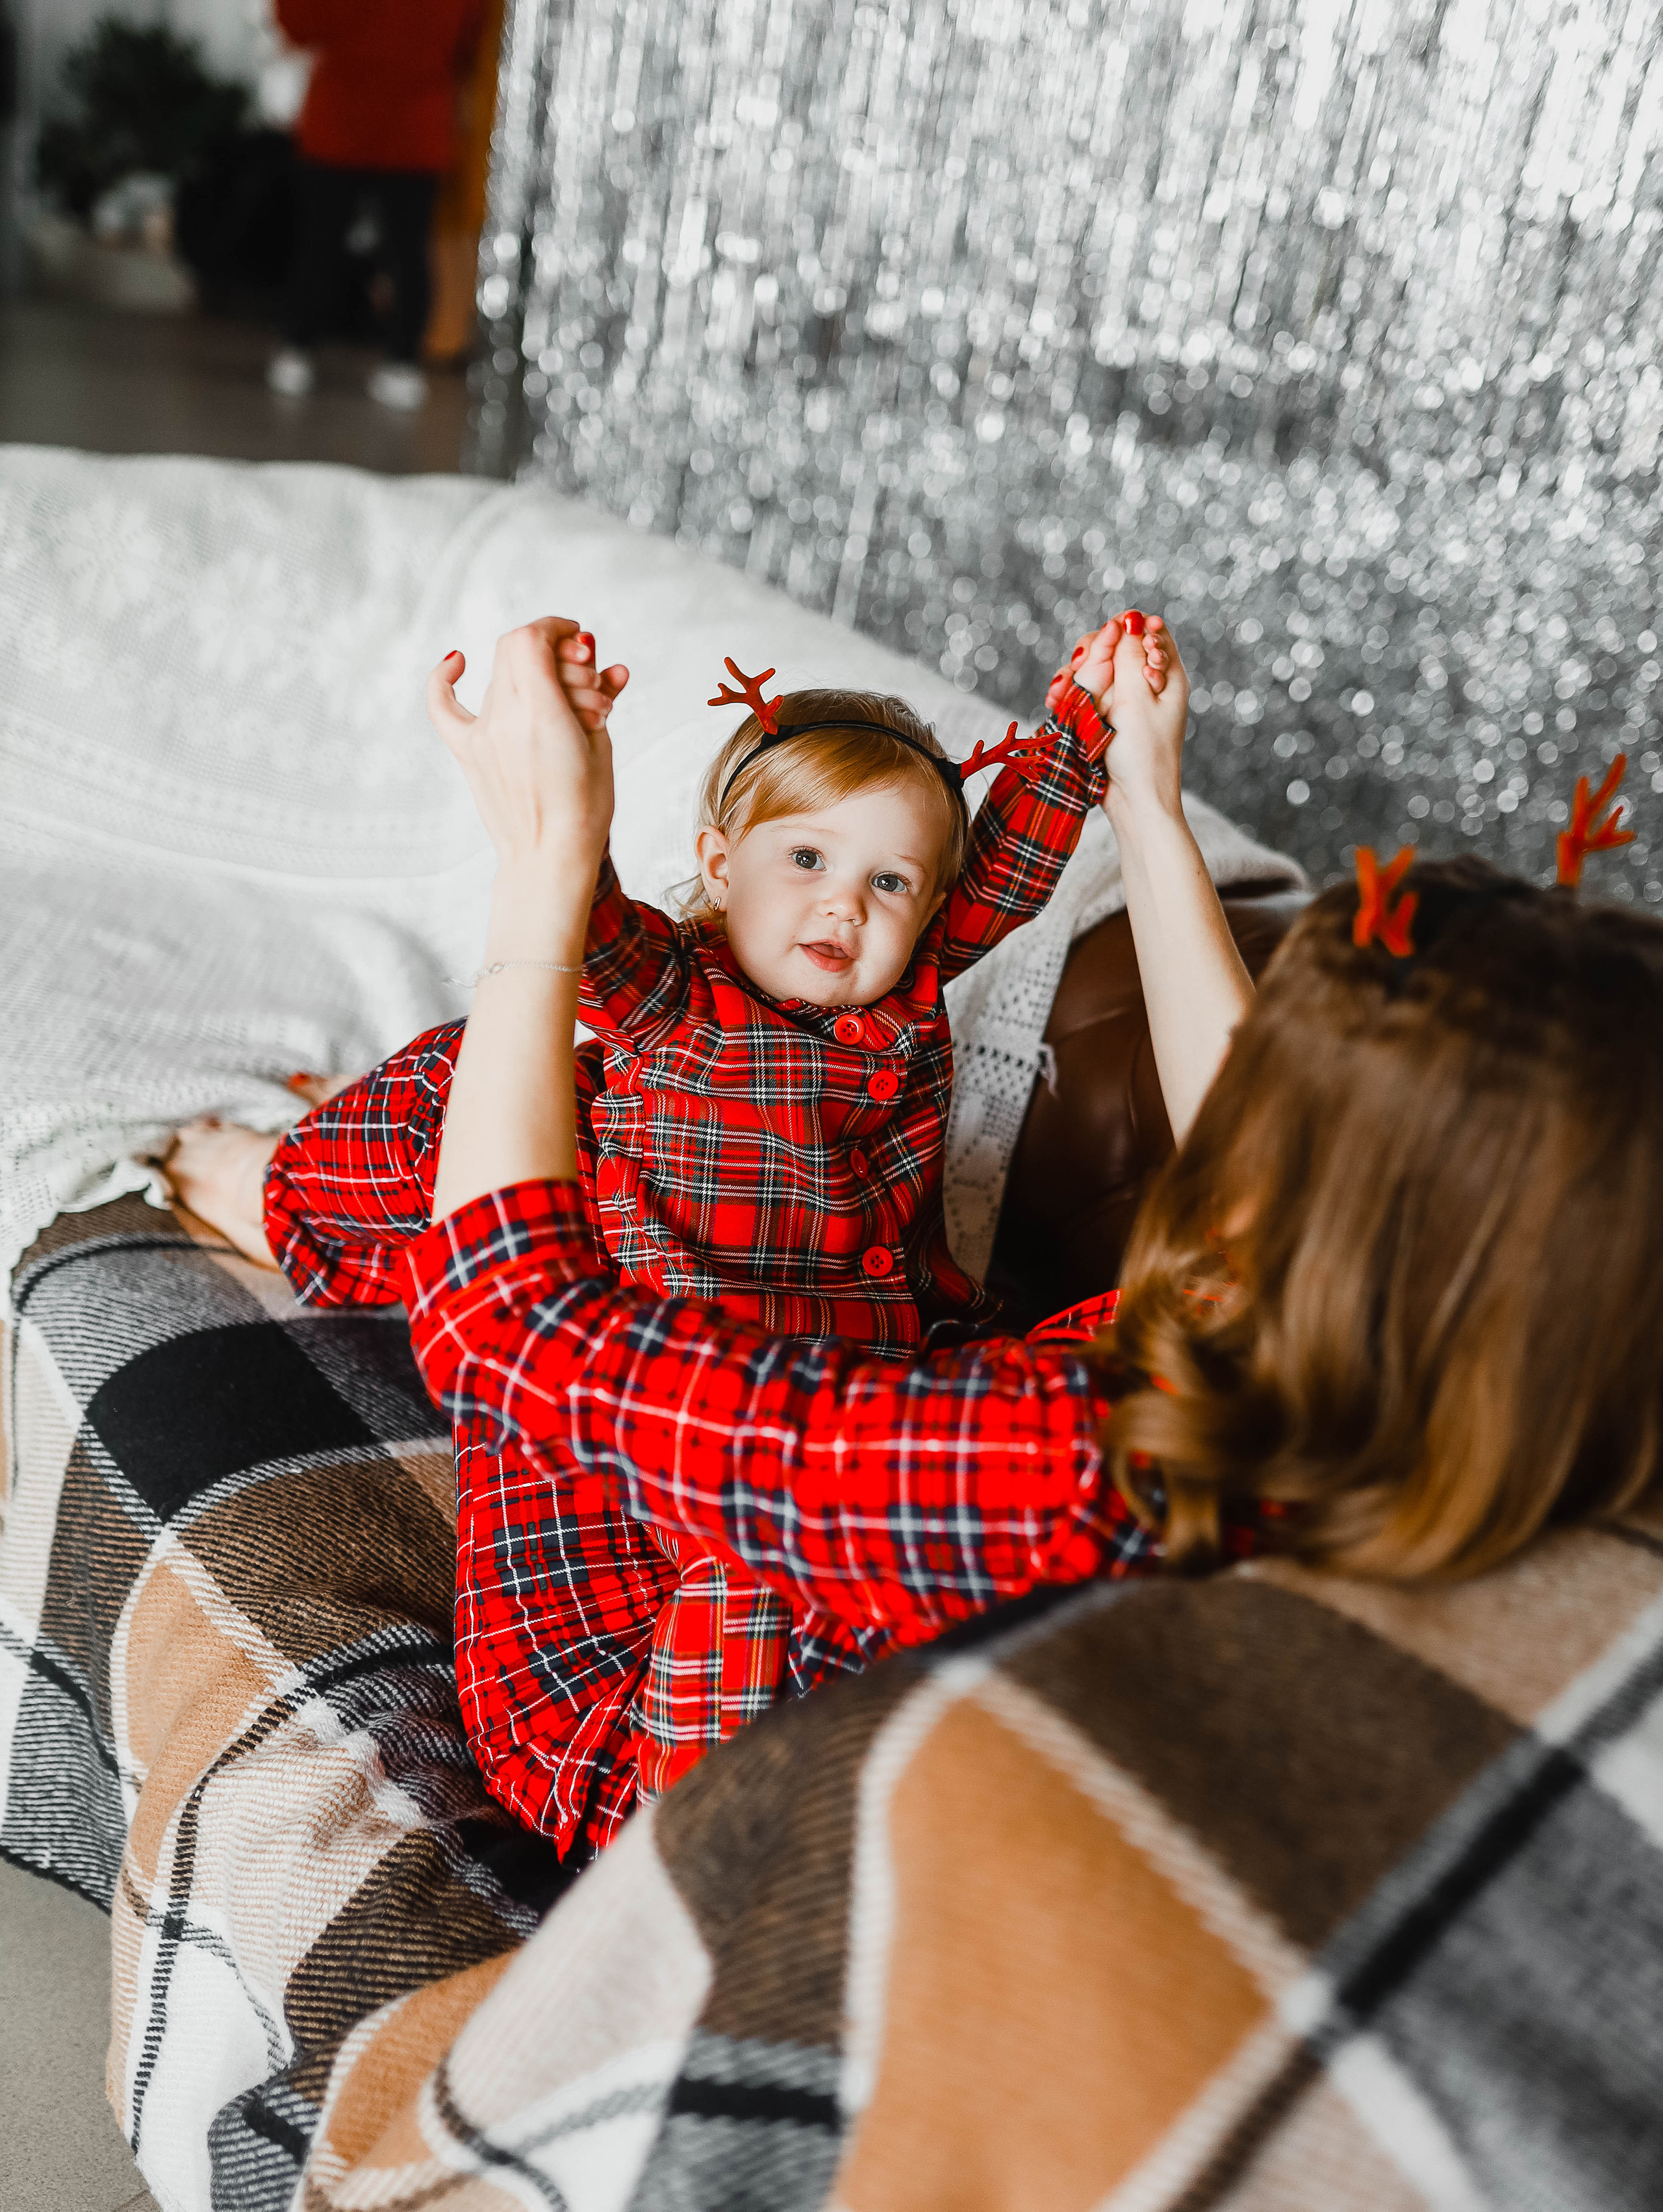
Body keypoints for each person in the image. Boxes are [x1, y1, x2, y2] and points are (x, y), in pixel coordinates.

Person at [384, 610, 1660, 1814]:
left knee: (500, 1092)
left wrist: (544, 858)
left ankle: (284, 1186)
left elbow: (509, 1334)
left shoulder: (1074, 1458)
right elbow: (1253, 1161)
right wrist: (1143, 804)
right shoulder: (1473, 1378)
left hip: (681, 1748)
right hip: (816, 1538)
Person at [168, 615, 1195, 1853]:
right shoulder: (673, 992)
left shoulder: (911, 987)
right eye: (805, 859)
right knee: (477, 1081)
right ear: (720, 861)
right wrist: (571, 771)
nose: (844, 909)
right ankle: (285, 1201)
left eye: (889, 884)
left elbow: (1013, 861)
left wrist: (1087, 730)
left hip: (823, 1410)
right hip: (652, 1364)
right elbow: (573, 914)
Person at [265, 0, 487, 410]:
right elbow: (470, 39)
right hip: (414, 127)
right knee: (408, 252)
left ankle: (298, 349)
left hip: (344, 122)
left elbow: (295, 25)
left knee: (321, 243)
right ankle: (402, 361)